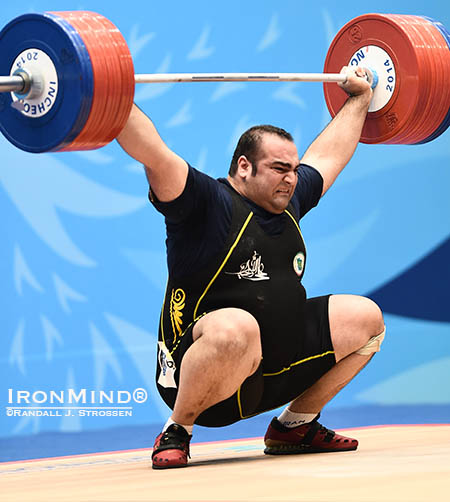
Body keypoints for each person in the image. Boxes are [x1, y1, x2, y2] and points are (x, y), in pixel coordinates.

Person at [117, 66, 386, 469]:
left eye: (294, 170)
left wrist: (360, 99)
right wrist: (108, 96)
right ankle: (177, 430)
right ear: (244, 166)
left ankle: (294, 425)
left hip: (271, 372)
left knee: (366, 318)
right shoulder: (205, 204)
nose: (293, 179)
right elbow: (152, 151)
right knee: (236, 328)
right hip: (204, 386)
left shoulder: (288, 200)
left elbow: (329, 155)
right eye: (280, 169)